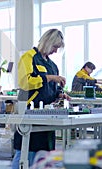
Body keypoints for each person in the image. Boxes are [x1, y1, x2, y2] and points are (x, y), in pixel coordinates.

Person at [13, 29, 71, 169]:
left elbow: (52, 89)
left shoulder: (52, 66)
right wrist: (50, 78)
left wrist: (60, 95)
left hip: (45, 113)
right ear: (47, 42)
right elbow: (24, 82)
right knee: (26, 150)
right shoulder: (29, 57)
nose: (55, 51)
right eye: (55, 47)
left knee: (43, 151)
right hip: (29, 110)